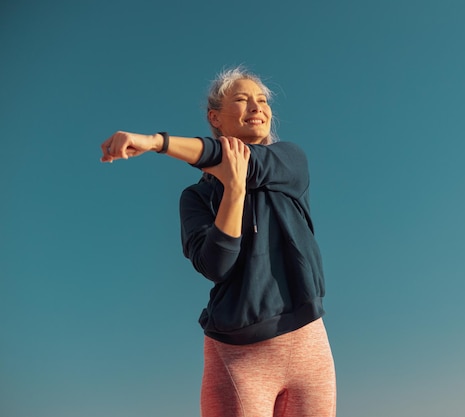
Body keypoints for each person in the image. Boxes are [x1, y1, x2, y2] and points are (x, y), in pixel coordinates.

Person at [100, 67, 336, 417]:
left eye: (262, 100)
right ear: (215, 117)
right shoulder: (195, 198)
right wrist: (234, 192)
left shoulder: (290, 162)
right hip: (237, 355)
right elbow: (216, 264)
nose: (256, 107)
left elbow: (245, 163)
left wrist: (155, 142)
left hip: (308, 345)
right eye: (241, 100)